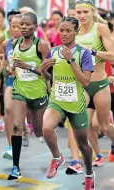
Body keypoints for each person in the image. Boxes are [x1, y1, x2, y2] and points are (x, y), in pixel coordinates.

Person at [41, 16, 95, 190]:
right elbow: (49, 78)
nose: (64, 34)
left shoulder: (83, 53)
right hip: (57, 100)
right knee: (46, 128)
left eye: (68, 30)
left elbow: (85, 81)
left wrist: (71, 60)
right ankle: (57, 158)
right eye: (61, 30)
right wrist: (43, 72)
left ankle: (89, 174)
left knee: (83, 145)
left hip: (76, 104)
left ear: (76, 32)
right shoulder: (53, 51)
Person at [7, 12, 50, 180]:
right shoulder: (14, 43)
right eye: (20, 25)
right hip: (20, 90)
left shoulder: (41, 45)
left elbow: (48, 74)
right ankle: (15, 167)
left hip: (38, 92)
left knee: (39, 131)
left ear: (35, 27)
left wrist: (28, 66)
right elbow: (12, 65)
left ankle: (54, 154)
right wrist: (11, 69)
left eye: (27, 25)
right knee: (17, 126)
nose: (23, 27)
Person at [75, 0, 114, 164]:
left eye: (86, 12)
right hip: (82, 84)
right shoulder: (73, 31)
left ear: (92, 12)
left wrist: (92, 51)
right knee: (83, 124)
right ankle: (96, 155)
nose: (82, 15)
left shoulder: (100, 29)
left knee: (104, 126)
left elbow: (112, 56)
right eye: (79, 12)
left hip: (99, 84)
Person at [0, 14, 22, 160]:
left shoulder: (31, 44)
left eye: (20, 26)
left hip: (29, 84)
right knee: (7, 109)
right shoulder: (7, 43)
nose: (17, 29)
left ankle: (25, 126)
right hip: (12, 81)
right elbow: (4, 61)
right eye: (14, 26)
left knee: (29, 121)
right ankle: (10, 145)